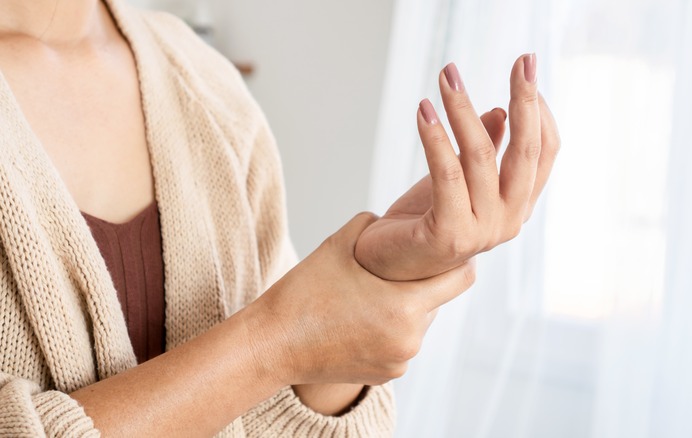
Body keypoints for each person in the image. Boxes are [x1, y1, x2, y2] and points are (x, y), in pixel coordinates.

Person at [0, 0, 560, 436]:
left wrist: (368, 291)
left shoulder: (204, 82)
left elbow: (280, 412)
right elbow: (276, 341)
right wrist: (274, 342)